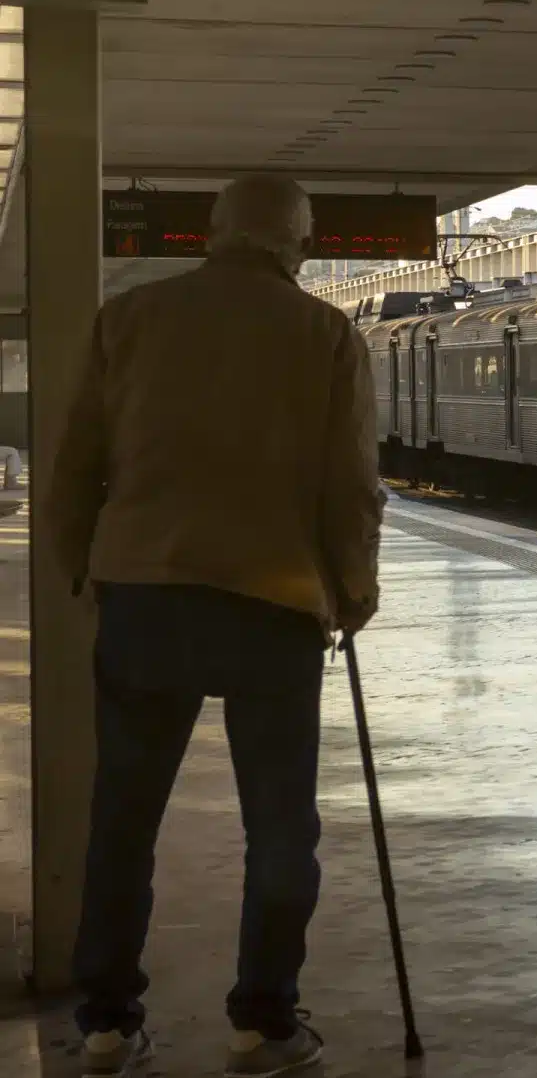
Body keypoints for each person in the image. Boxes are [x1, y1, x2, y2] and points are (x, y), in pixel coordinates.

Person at [42, 174, 386, 1077]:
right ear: (297, 243)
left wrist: (83, 568)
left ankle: (108, 1021)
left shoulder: (131, 319)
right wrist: (353, 592)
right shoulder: (326, 335)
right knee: (280, 826)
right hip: (272, 602)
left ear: (213, 234)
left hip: (144, 596)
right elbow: (350, 489)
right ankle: (263, 1022)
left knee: (123, 817)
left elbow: (75, 463)